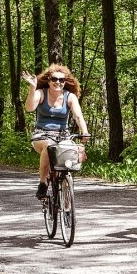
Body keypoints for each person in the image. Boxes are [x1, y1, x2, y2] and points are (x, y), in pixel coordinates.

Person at [22, 64, 91, 199]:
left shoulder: (70, 97)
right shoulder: (41, 93)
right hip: (41, 135)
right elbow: (29, 108)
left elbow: (78, 116)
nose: (58, 82)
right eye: (54, 79)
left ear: (65, 82)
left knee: (71, 153)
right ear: (49, 80)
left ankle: (65, 186)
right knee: (49, 146)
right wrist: (32, 87)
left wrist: (85, 131)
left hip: (63, 135)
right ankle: (43, 183)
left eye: (61, 80)